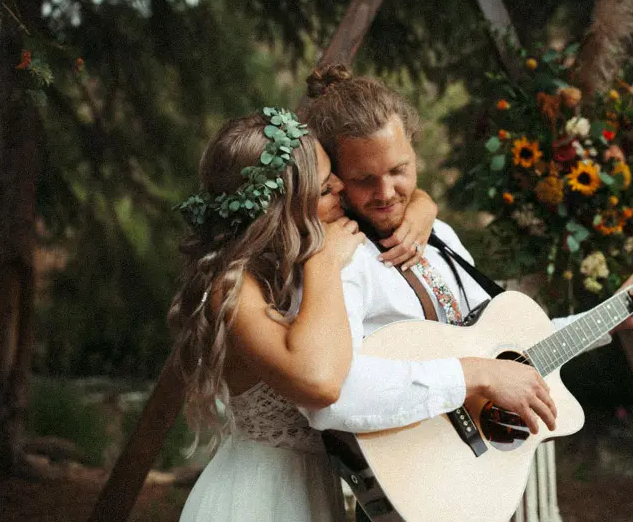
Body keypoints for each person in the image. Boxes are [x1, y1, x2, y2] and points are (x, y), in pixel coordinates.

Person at [299, 65, 633, 520]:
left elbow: (503, 351)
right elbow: (334, 392)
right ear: (335, 178)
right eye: (363, 180)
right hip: (414, 488)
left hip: (478, 478)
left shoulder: (440, 236)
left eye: (399, 170)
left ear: (415, 153)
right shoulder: (339, 263)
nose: (387, 193)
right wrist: (474, 374)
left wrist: (611, 315)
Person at [169, 107, 440, 522]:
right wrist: (324, 261)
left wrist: (423, 207)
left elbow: (389, 193)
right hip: (257, 500)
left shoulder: (290, 256)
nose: (343, 192)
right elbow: (319, 380)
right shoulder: (234, 287)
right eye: (327, 188)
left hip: (313, 491)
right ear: (285, 207)